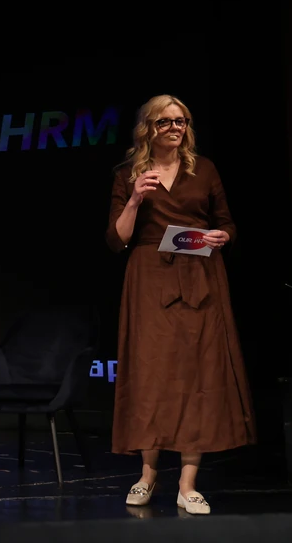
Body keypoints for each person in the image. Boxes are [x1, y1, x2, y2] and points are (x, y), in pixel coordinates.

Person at [105, 94, 255, 515]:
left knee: (198, 374)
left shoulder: (203, 169)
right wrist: (135, 198)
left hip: (200, 275)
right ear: (148, 128)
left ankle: (188, 484)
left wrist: (223, 236)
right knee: (151, 375)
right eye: (166, 121)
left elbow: (226, 223)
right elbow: (116, 239)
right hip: (150, 279)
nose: (175, 128)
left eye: (182, 121)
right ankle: (147, 475)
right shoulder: (128, 174)